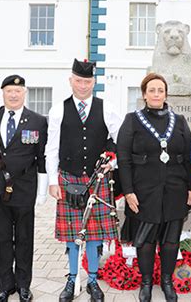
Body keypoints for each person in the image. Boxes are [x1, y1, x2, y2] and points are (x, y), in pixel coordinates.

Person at [117, 73, 191, 302]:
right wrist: (129, 191)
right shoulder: (132, 120)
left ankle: (166, 281)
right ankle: (146, 283)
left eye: (160, 90)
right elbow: (124, 159)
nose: (156, 94)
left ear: (165, 94)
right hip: (144, 192)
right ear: (144, 94)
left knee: (171, 240)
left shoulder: (179, 121)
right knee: (146, 240)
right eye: (151, 90)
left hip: (175, 189)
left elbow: (189, 156)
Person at [46, 58, 122, 302]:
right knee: (72, 236)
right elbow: (51, 148)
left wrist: (113, 163)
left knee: (95, 234)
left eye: (87, 81)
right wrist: (52, 181)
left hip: (97, 179)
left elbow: (122, 141)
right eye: (78, 81)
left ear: (94, 82)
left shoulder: (107, 108)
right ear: (71, 80)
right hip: (68, 177)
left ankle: (92, 280)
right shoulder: (58, 109)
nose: (82, 85)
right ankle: (71, 279)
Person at [0, 75, 48, 302]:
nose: (13, 95)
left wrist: (42, 191)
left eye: (18, 91)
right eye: (9, 91)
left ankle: (24, 285)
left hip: (24, 189)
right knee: (1, 240)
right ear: (3, 93)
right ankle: (5, 286)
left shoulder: (37, 121)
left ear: (25, 93)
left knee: (24, 239)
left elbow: (41, 157)